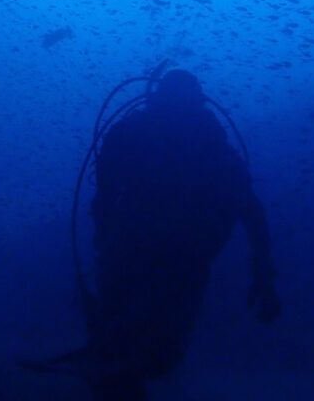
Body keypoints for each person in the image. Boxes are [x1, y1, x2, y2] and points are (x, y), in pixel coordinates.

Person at [27, 69, 280, 400]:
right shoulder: (211, 148)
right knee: (154, 356)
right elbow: (251, 212)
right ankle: (119, 370)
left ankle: (114, 369)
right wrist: (263, 277)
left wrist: (104, 243)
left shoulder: (134, 134)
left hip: (140, 256)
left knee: (134, 351)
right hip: (175, 261)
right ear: (199, 104)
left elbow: (103, 197)